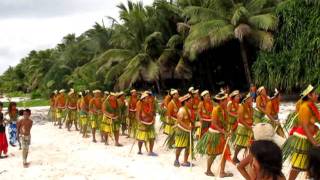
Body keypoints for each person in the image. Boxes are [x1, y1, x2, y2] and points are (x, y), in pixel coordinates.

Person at [282, 85, 320, 180]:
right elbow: (305, 127)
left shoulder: (312, 106)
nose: (317, 95)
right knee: (298, 164)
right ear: (309, 96)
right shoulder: (305, 107)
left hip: (311, 136)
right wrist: (314, 142)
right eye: (315, 94)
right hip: (303, 138)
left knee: (309, 161)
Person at [196, 92, 232, 177]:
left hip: (222, 134)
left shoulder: (225, 109)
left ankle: (222, 172)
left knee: (225, 152)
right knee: (213, 154)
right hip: (214, 134)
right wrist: (224, 132)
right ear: (221, 101)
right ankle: (208, 170)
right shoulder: (215, 110)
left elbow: (226, 122)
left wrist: (228, 130)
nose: (227, 101)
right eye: (225, 100)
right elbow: (214, 124)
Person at [233, 93, 254, 164]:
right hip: (243, 128)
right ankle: (234, 157)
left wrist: (252, 124)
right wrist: (248, 126)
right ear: (246, 100)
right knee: (240, 144)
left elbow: (251, 117)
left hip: (249, 127)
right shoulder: (241, 107)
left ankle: (249, 158)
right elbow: (240, 120)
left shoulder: (250, 107)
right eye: (250, 98)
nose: (252, 99)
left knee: (251, 143)